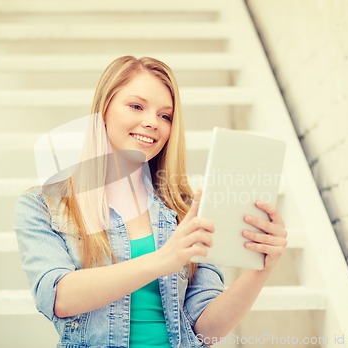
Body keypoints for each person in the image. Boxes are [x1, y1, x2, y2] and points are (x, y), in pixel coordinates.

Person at [14, 56, 288, 348]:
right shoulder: (44, 205)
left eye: (165, 116)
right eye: (136, 106)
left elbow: (206, 330)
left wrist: (261, 270)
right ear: (103, 109)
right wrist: (162, 260)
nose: (152, 123)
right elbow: (58, 299)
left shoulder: (185, 210)